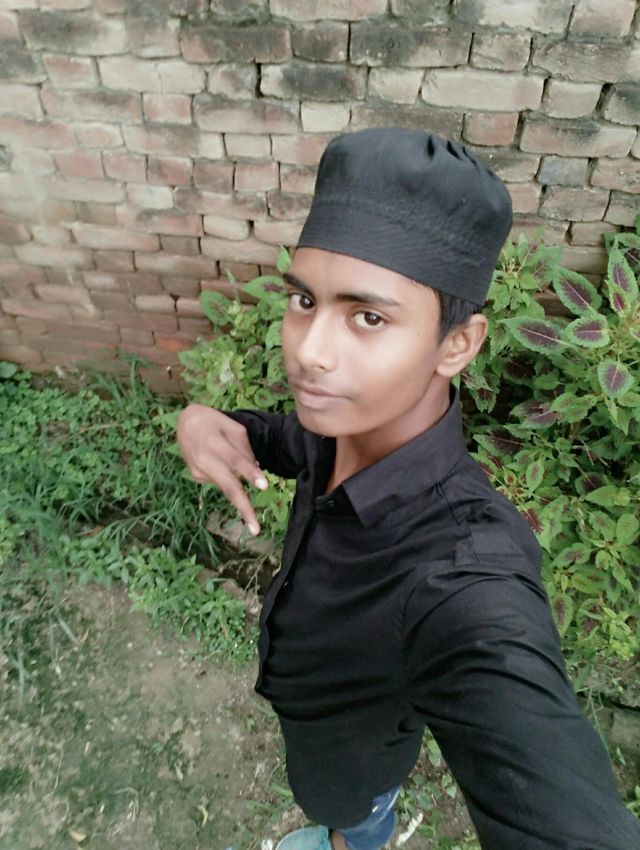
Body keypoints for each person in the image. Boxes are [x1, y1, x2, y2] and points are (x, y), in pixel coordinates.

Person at [177, 129, 640, 850]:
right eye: (303, 300)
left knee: (354, 820)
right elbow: (284, 439)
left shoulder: (464, 579)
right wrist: (208, 421)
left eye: (369, 317)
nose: (309, 352)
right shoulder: (341, 427)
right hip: (314, 727)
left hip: (356, 771)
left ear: (457, 344)